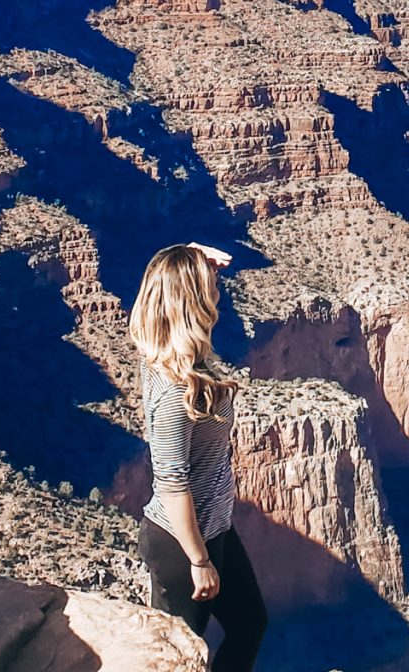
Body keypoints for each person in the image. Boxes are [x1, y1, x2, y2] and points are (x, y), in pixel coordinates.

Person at [129, 242, 267, 671]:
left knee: (250, 624)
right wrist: (199, 561)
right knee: (181, 658)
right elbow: (171, 483)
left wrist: (192, 253)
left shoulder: (171, 359)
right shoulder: (174, 390)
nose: (218, 293)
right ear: (191, 301)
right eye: (209, 285)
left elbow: (162, 277)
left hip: (214, 527)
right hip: (181, 543)